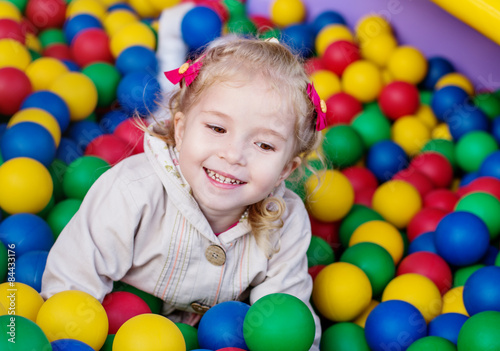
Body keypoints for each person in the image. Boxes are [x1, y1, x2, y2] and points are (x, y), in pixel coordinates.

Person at [41, 36, 327, 350]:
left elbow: (285, 319)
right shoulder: (132, 190)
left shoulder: (285, 221)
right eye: (217, 128)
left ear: (286, 169)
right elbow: (73, 282)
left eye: (264, 145)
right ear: (181, 129)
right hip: (118, 329)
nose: (233, 155)